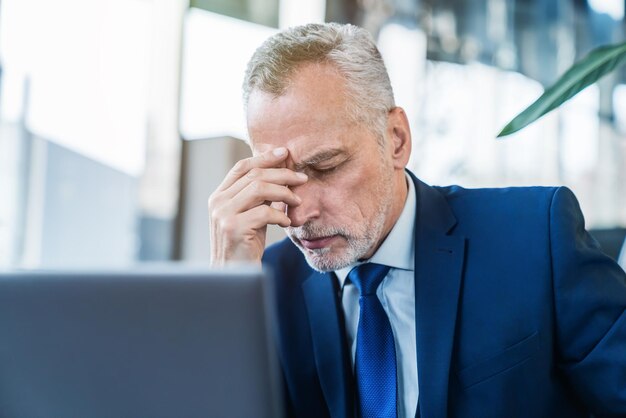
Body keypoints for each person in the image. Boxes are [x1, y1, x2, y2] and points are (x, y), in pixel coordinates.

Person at [208, 22, 626, 418]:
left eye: (326, 167)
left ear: (396, 140)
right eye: (279, 180)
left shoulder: (534, 239)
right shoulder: (263, 283)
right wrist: (227, 296)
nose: (298, 212)